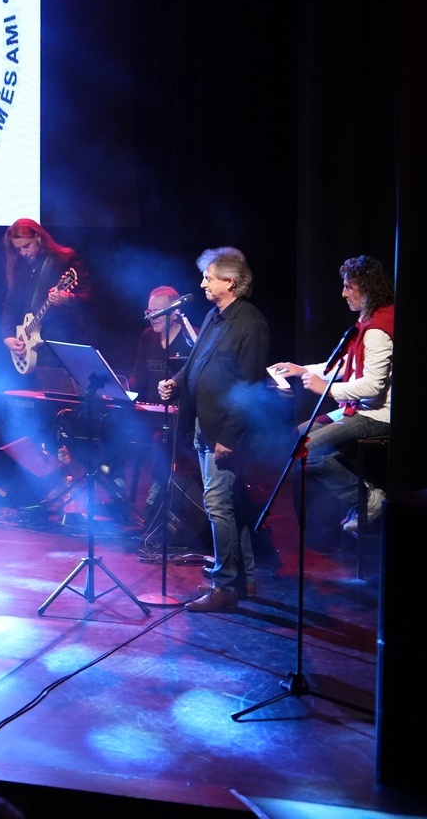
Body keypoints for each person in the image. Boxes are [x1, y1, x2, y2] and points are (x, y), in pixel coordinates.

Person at [159, 247, 271, 612]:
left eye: (209, 278)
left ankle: (224, 587)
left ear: (230, 282)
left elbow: (249, 387)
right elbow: (196, 361)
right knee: (230, 504)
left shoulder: (251, 324)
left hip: (224, 432)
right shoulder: (214, 316)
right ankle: (244, 579)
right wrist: (176, 382)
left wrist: (229, 437)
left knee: (218, 505)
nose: (202, 284)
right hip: (203, 424)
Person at [272, 255, 394, 539]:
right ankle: (362, 497)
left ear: (366, 288)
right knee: (298, 435)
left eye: (349, 286)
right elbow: (344, 366)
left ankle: (366, 498)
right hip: (358, 409)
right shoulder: (367, 321)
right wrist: (302, 369)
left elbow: (373, 386)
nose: (343, 293)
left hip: (376, 415)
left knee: (307, 449)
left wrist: (325, 389)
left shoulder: (378, 329)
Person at [130, 285, 198, 513]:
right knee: (114, 430)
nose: (152, 317)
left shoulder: (191, 338)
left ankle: (155, 502)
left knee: (163, 443)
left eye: (158, 312)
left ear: (175, 312)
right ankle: (118, 497)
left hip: (179, 417)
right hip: (150, 413)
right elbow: (139, 377)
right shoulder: (148, 337)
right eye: (149, 312)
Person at [0, 218, 88, 372]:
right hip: (30, 344)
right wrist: (8, 335)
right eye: (18, 249)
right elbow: (11, 303)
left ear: (38, 237)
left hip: (60, 342)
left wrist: (68, 299)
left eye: (26, 246)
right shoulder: (20, 266)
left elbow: (87, 297)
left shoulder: (65, 259)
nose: (23, 253)